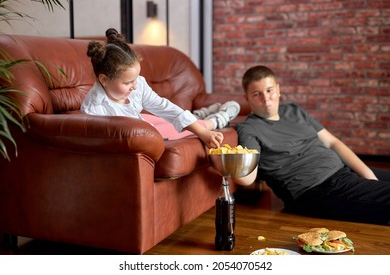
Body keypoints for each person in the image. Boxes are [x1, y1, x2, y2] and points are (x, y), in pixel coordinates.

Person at [233, 65, 390, 225]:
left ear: (278, 90)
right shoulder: (249, 128)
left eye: (269, 90)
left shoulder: (294, 111)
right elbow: (247, 177)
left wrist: (368, 175)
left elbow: (332, 142)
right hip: (317, 189)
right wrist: (223, 161)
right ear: (246, 98)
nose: (266, 99)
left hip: (343, 171)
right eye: (256, 94)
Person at [81, 28, 240, 149]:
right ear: (104, 79)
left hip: (142, 123)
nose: (135, 85)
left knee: (163, 120)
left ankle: (199, 117)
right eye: (128, 83)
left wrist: (203, 134)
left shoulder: (138, 86)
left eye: (136, 79)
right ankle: (216, 120)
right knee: (168, 131)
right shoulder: (93, 109)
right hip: (140, 132)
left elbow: (165, 107)